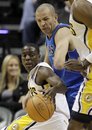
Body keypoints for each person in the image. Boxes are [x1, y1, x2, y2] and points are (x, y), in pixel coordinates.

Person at [35, 3, 89, 112]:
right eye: (39, 21)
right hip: (64, 90)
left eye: (46, 19)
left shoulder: (62, 31)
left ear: (55, 17)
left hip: (77, 88)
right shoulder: (48, 37)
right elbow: (46, 66)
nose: (43, 24)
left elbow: (58, 64)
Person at [4, 44, 69, 130]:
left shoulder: (42, 70)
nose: (27, 58)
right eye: (24, 55)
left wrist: (53, 90)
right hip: (52, 120)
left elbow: (63, 87)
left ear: (39, 56)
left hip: (53, 117)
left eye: (31, 55)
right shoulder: (33, 74)